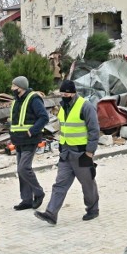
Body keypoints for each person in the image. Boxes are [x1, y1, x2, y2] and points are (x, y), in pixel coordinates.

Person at [34, 80, 100, 225]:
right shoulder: (63, 107)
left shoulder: (85, 106)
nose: (64, 95)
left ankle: (93, 209)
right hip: (66, 153)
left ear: (73, 93)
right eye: (62, 93)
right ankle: (51, 214)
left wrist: (90, 152)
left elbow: (94, 130)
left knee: (87, 184)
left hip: (82, 153)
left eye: (67, 93)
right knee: (60, 184)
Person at [9, 76, 49, 211]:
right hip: (19, 139)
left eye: (14, 86)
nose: (12, 88)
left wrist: (32, 131)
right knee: (20, 171)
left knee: (23, 168)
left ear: (21, 87)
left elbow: (44, 117)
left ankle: (39, 192)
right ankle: (26, 200)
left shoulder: (33, 99)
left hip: (30, 139)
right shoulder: (16, 100)